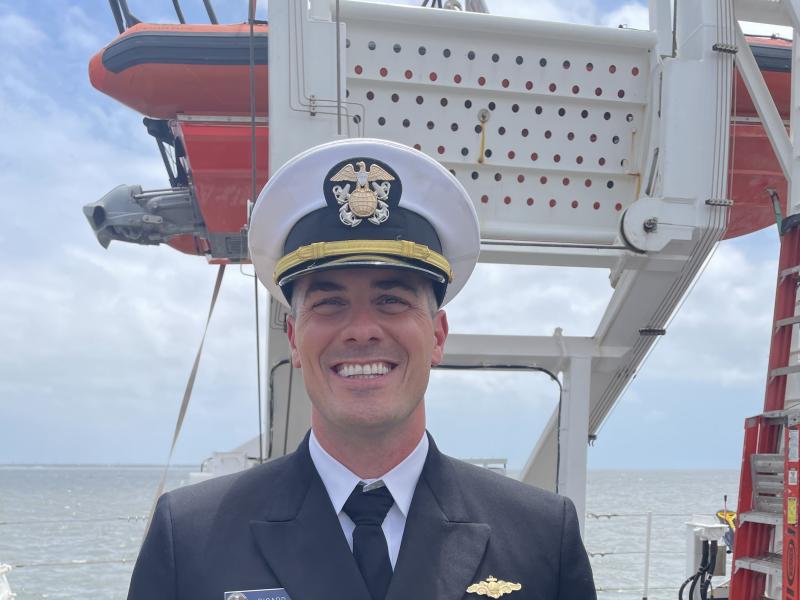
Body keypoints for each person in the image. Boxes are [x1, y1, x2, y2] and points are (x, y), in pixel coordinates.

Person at [127, 138, 596, 600]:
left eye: (391, 300)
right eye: (330, 303)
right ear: (294, 337)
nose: (362, 330)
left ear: (437, 335)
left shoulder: (542, 537)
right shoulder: (188, 538)